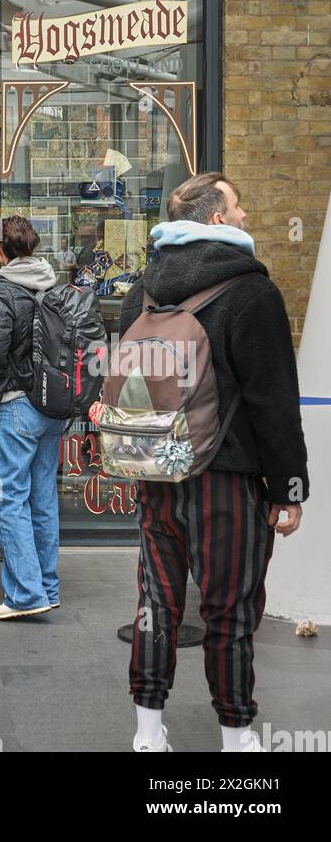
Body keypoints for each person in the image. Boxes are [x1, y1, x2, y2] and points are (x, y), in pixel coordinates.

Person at [118, 173, 308, 754]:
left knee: (156, 601)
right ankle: (237, 735)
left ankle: (148, 734)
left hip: (157, 467)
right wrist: (289, 487)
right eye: (239, 204)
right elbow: (273, 400)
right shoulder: (252, 293)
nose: (248, 213)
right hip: (226, 476)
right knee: (231, 606)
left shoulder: (141, 292)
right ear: (218, 221)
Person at [0, 216, 69, 621]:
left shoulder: (5, 290)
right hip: (52, 406)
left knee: (7, 498)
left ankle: (26, 595)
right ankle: (47, 586)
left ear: (0, 251)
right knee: (42, 497)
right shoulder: (51, 283)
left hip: (17, 404)